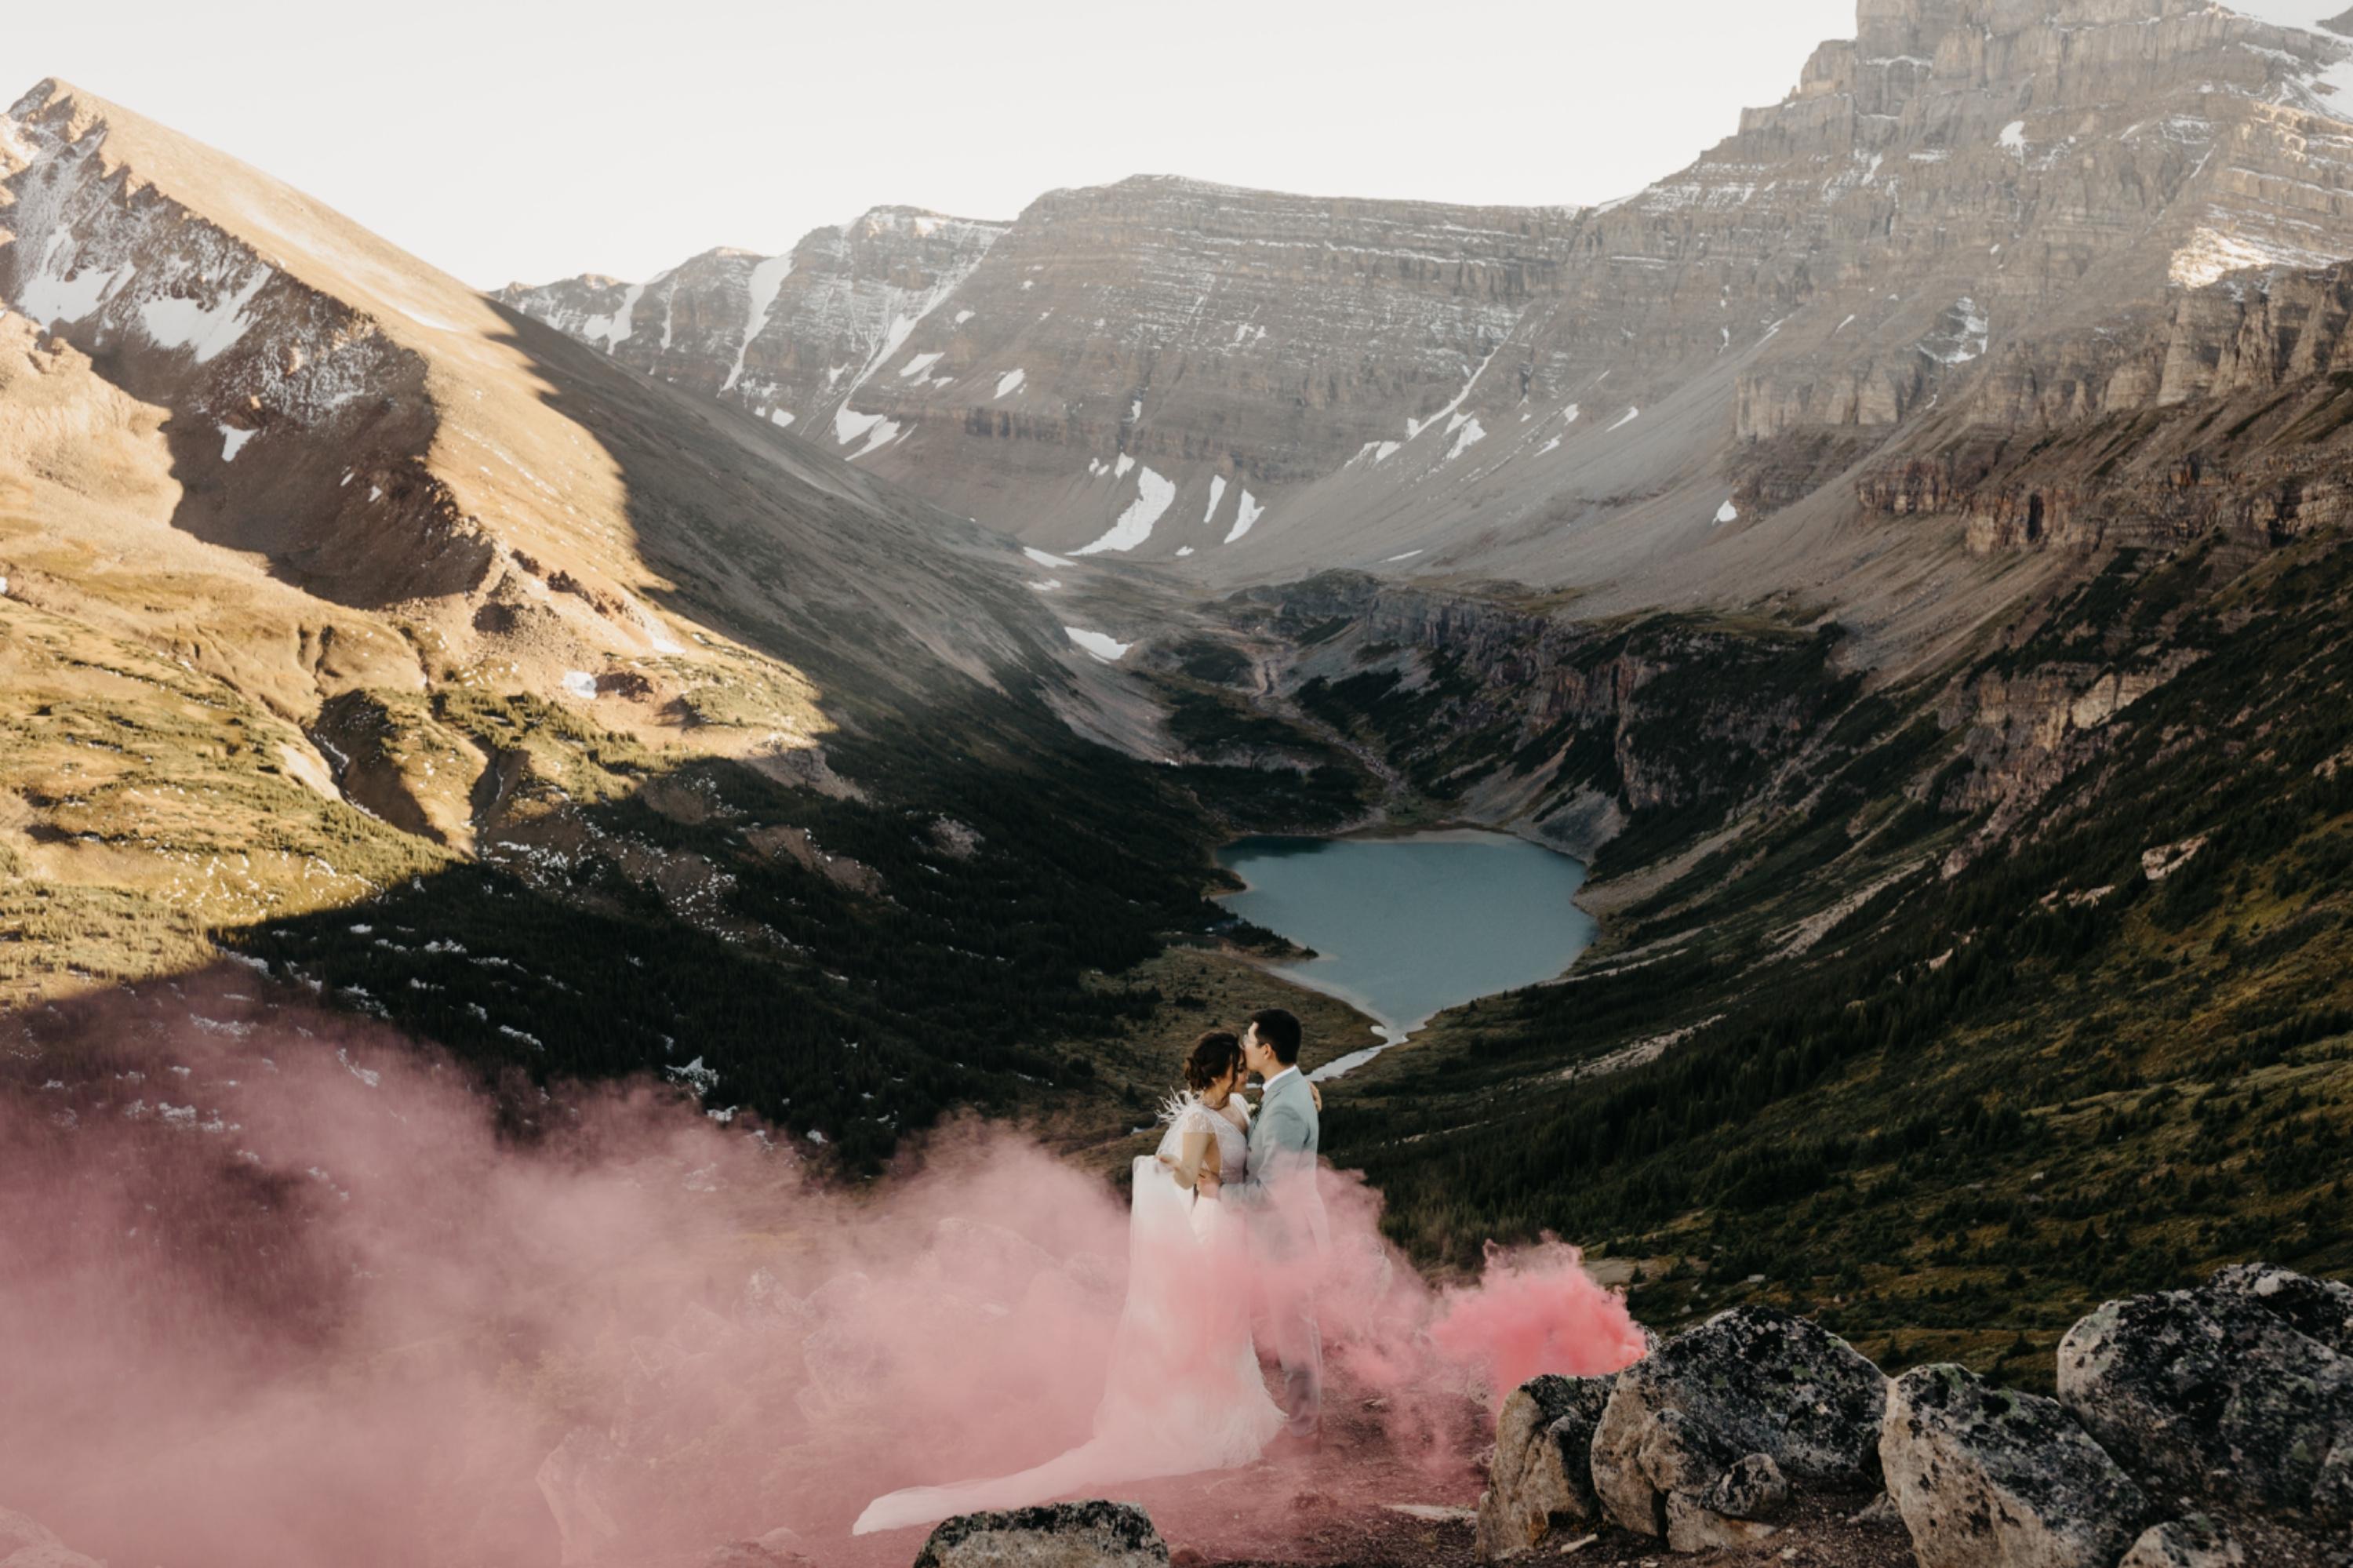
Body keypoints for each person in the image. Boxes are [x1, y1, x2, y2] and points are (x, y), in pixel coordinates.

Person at [852, 1031, 1282, 1534]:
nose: (1244, 1073)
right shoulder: (1197, 1121)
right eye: (1238, 1067)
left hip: (1235, 1227)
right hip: (1212, 1227)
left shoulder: (1237, 1107)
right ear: (1217, 1073)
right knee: (1211, 1320)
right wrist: (1179, 1172)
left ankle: (1237, 1405)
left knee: (1231, 1322)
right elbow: (1183, 1182)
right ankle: (1208, 1418)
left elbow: (1253, 1146)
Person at [1201, 1006, 1326, 1446]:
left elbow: (1269, 1194)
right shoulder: (1288, 1089)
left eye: (1249, 1041)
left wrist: (1219, 1194)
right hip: (1289, 1232)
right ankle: (1307, 1419)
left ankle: (1303, 1429)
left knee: (1294, 1334)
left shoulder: (1286, 1109)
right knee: (1299, 1328)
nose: (1244, 1047)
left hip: (1287, 1237)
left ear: (1268, 1050)